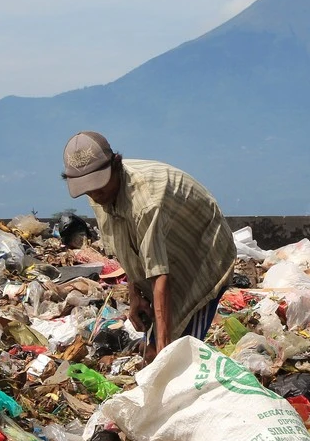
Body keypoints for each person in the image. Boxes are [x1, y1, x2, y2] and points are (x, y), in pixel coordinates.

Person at [62, 131, 235, 357]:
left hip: (202, 255)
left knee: (180, 350)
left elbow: (160, 276)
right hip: (165, 256)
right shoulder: (99, 194)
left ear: (116, 164)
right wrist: (135, 296)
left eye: (99, 186)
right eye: (89, 189)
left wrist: (164, 354)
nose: (95, 194)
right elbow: (127, 245)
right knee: (155, 347)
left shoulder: (144, 202)